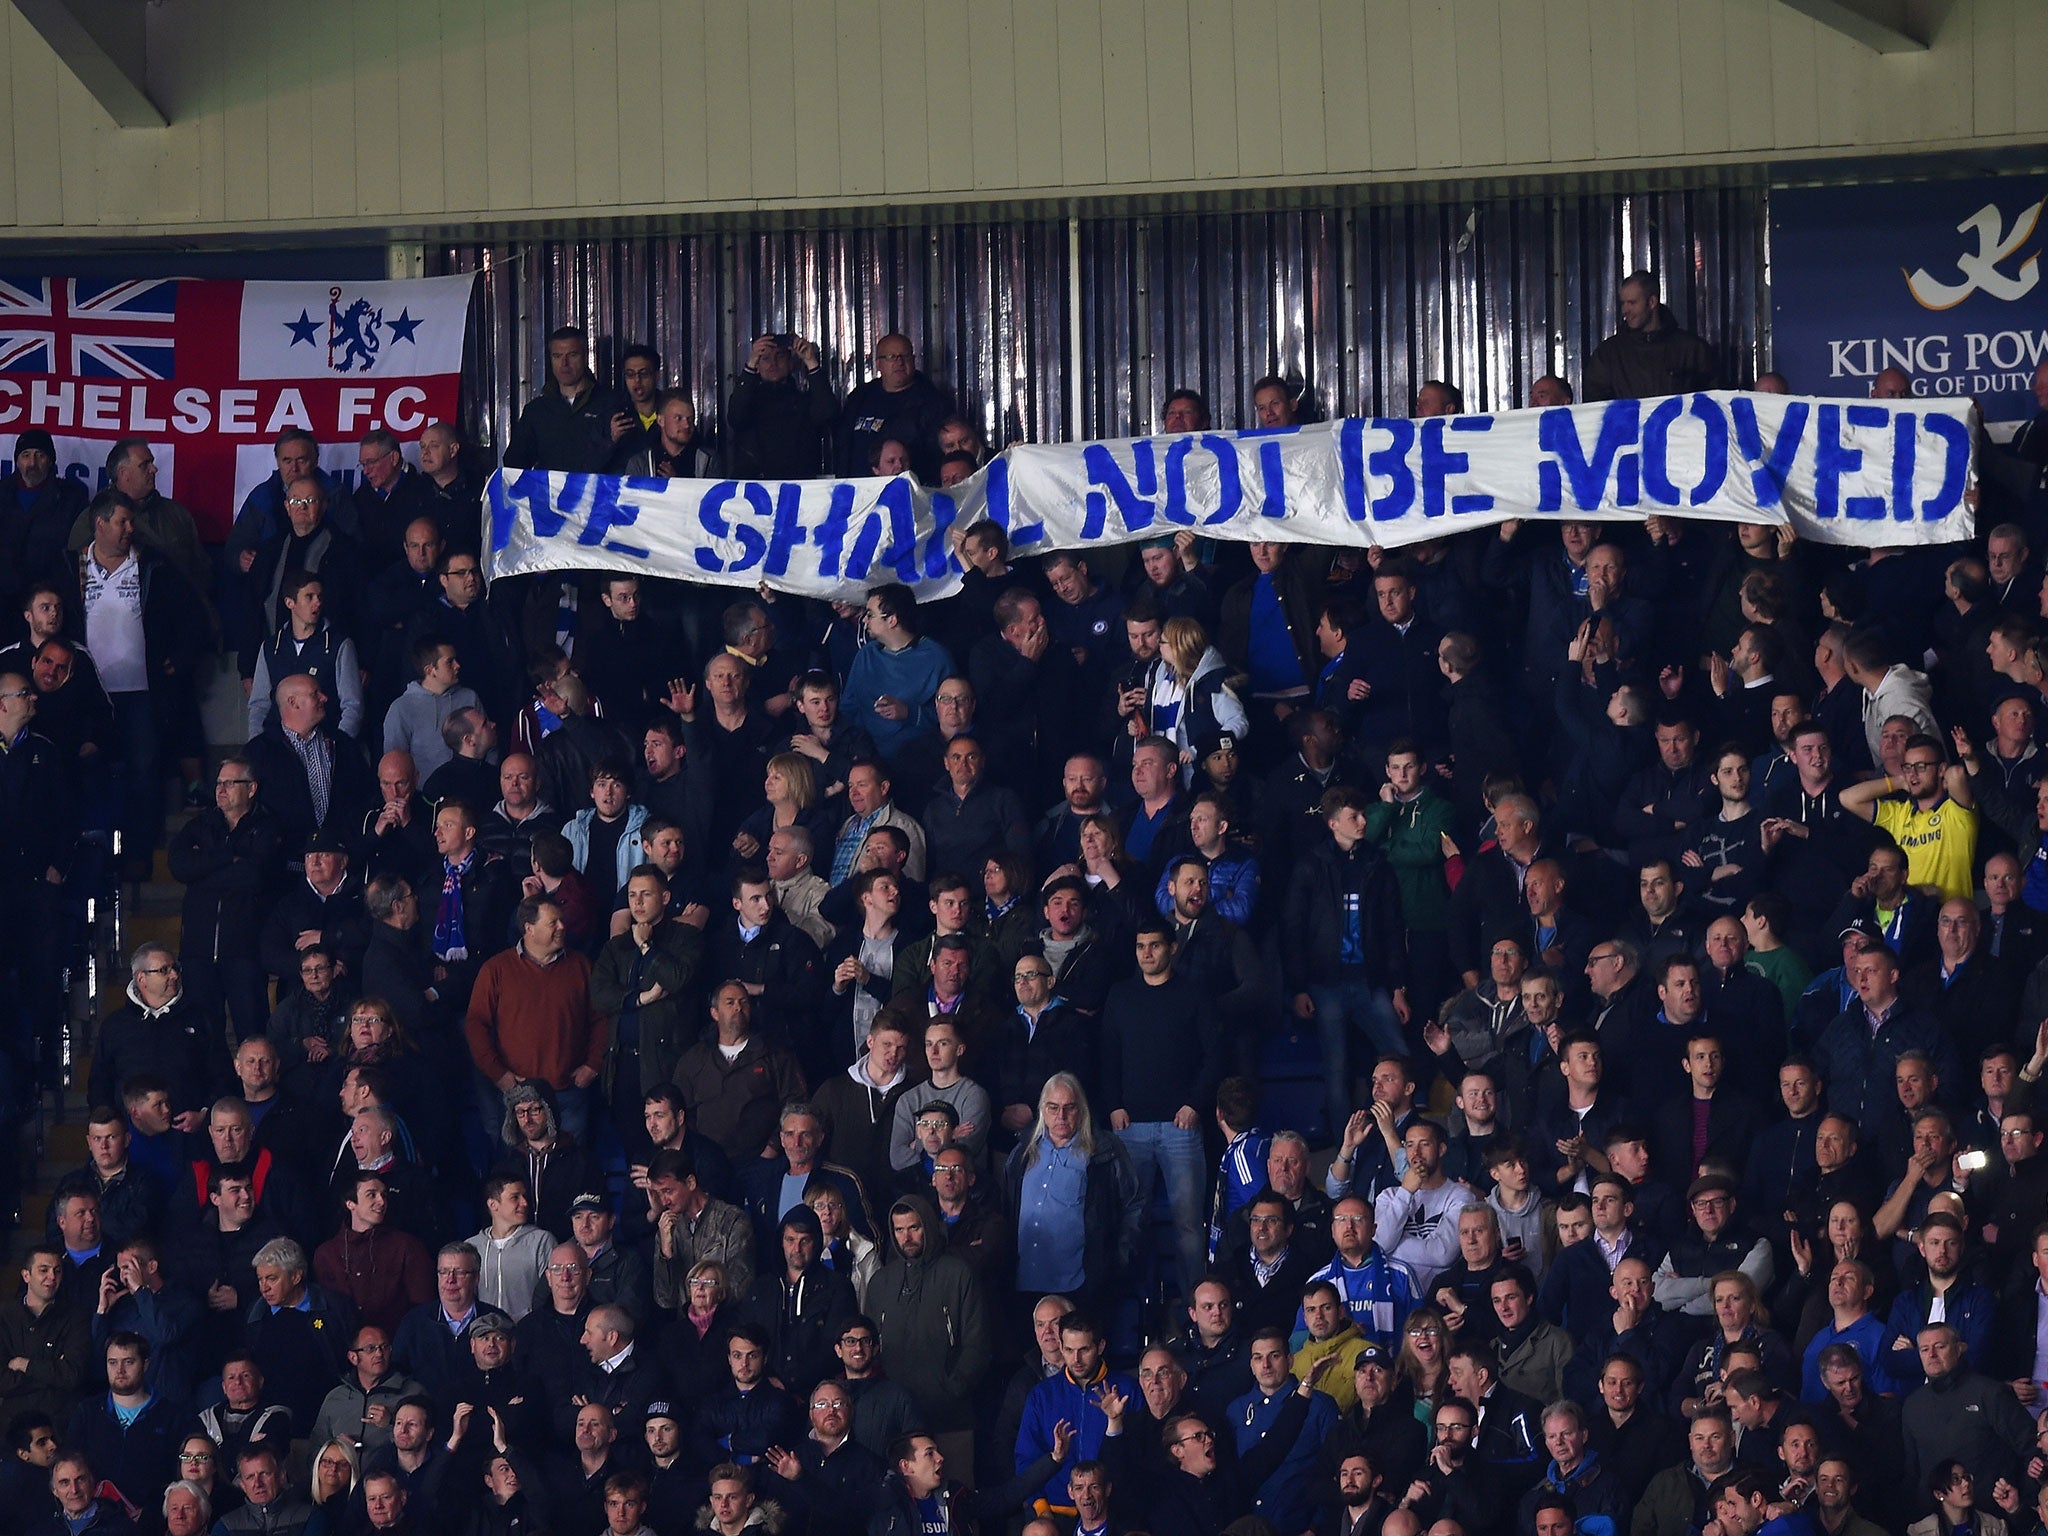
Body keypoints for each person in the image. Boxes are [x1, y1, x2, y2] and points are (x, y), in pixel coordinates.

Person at [1582, 269, 1717, 401]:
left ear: (1652, 302)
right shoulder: (1608, 354)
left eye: (1632, 303)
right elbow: (1595, 407)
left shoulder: (1692, 350)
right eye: (1623, 303)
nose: (1625, 310)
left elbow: (1714, 403)